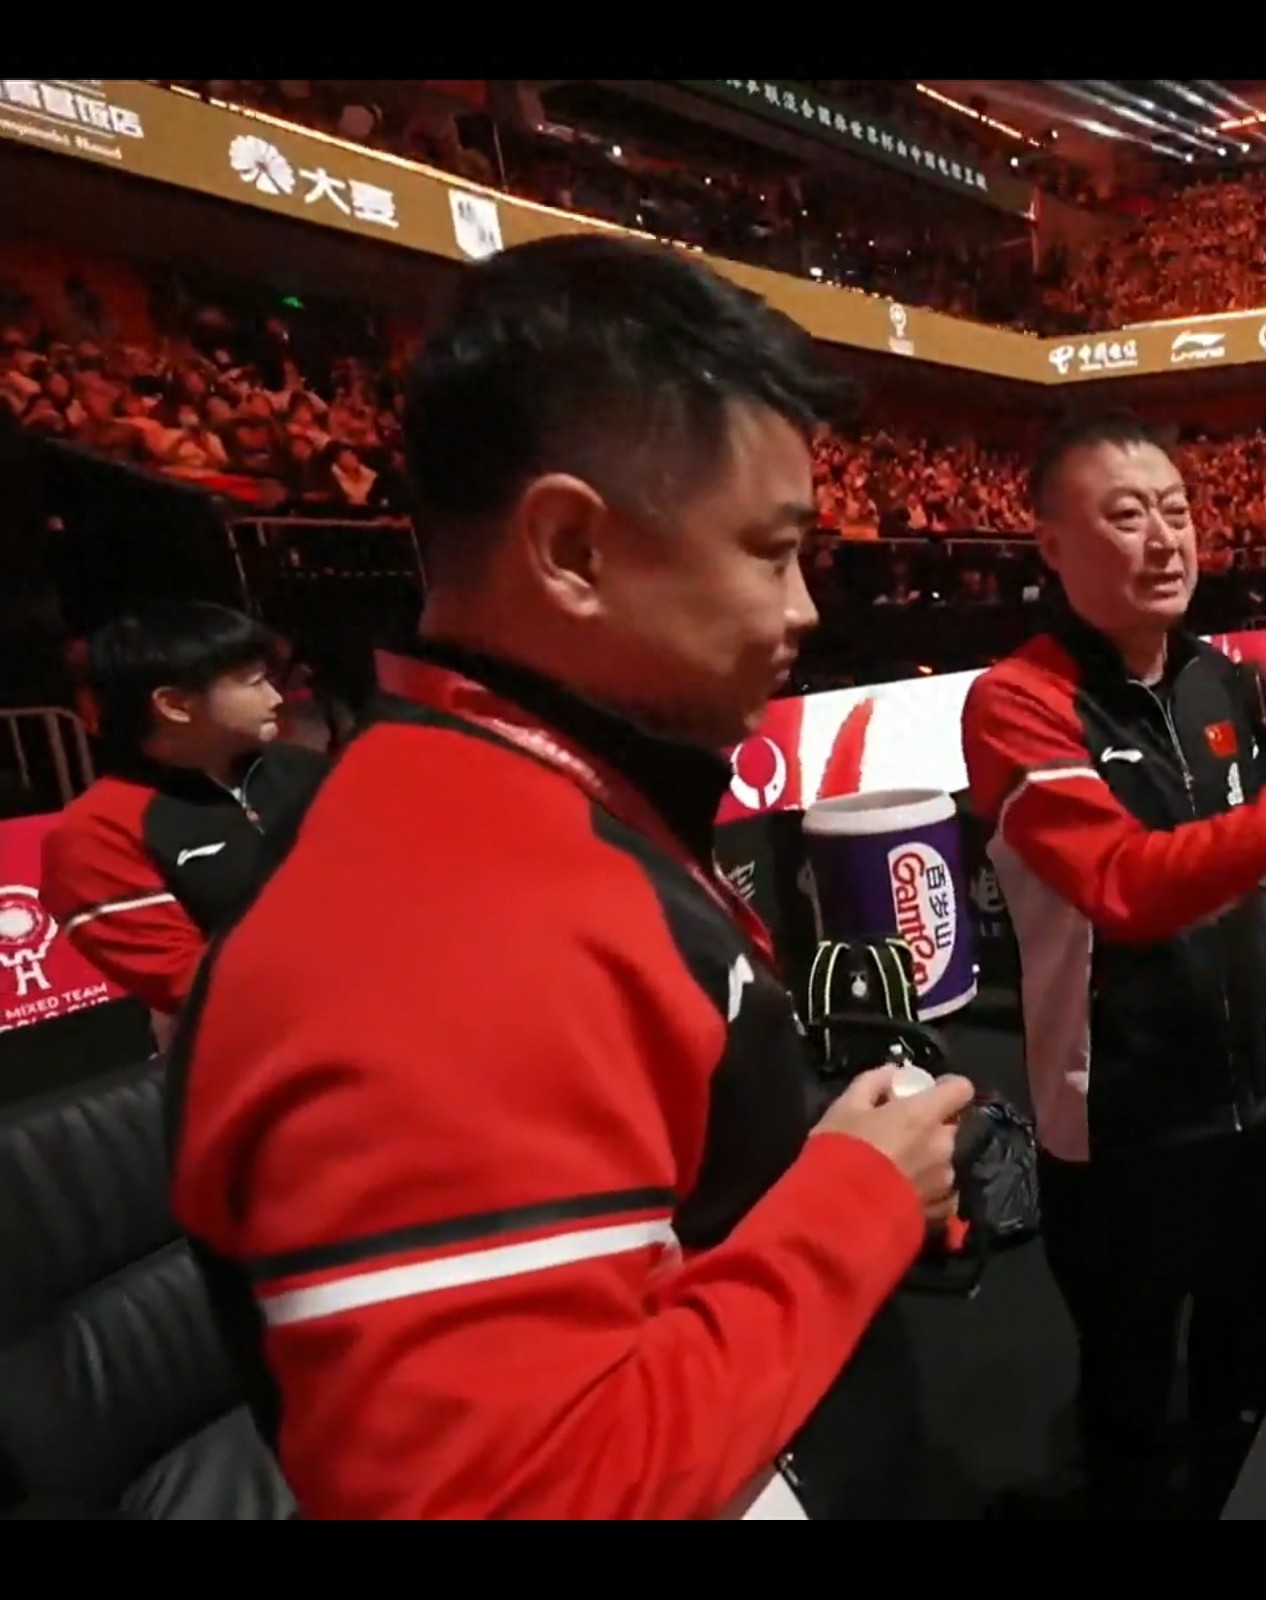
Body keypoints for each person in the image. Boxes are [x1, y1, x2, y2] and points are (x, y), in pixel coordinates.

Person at [167, 235, 973, 1520]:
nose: (805, 609)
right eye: (771, 552)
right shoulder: (434, 928)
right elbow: (513, 1492)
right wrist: (857, 1201)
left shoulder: (524, 813)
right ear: (570, 549)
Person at [959, 408, 1266, 1519]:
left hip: (1246, 1102)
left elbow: (1248, 854)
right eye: (1127, 515)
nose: (1165, 537)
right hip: (1117, 1124)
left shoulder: (1217, 680)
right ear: (1052, 546)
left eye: (1175, 510)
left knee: (1235, 1365)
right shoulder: (1016, 703)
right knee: (1127, 1394)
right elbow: (1126, 887)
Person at [41, 602, 327, 1047]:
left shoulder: (307, 769)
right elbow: (192, 985)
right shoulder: (96, 832)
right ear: (174, 705)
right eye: (254, 682)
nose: (275, 698)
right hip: (263, 1054)